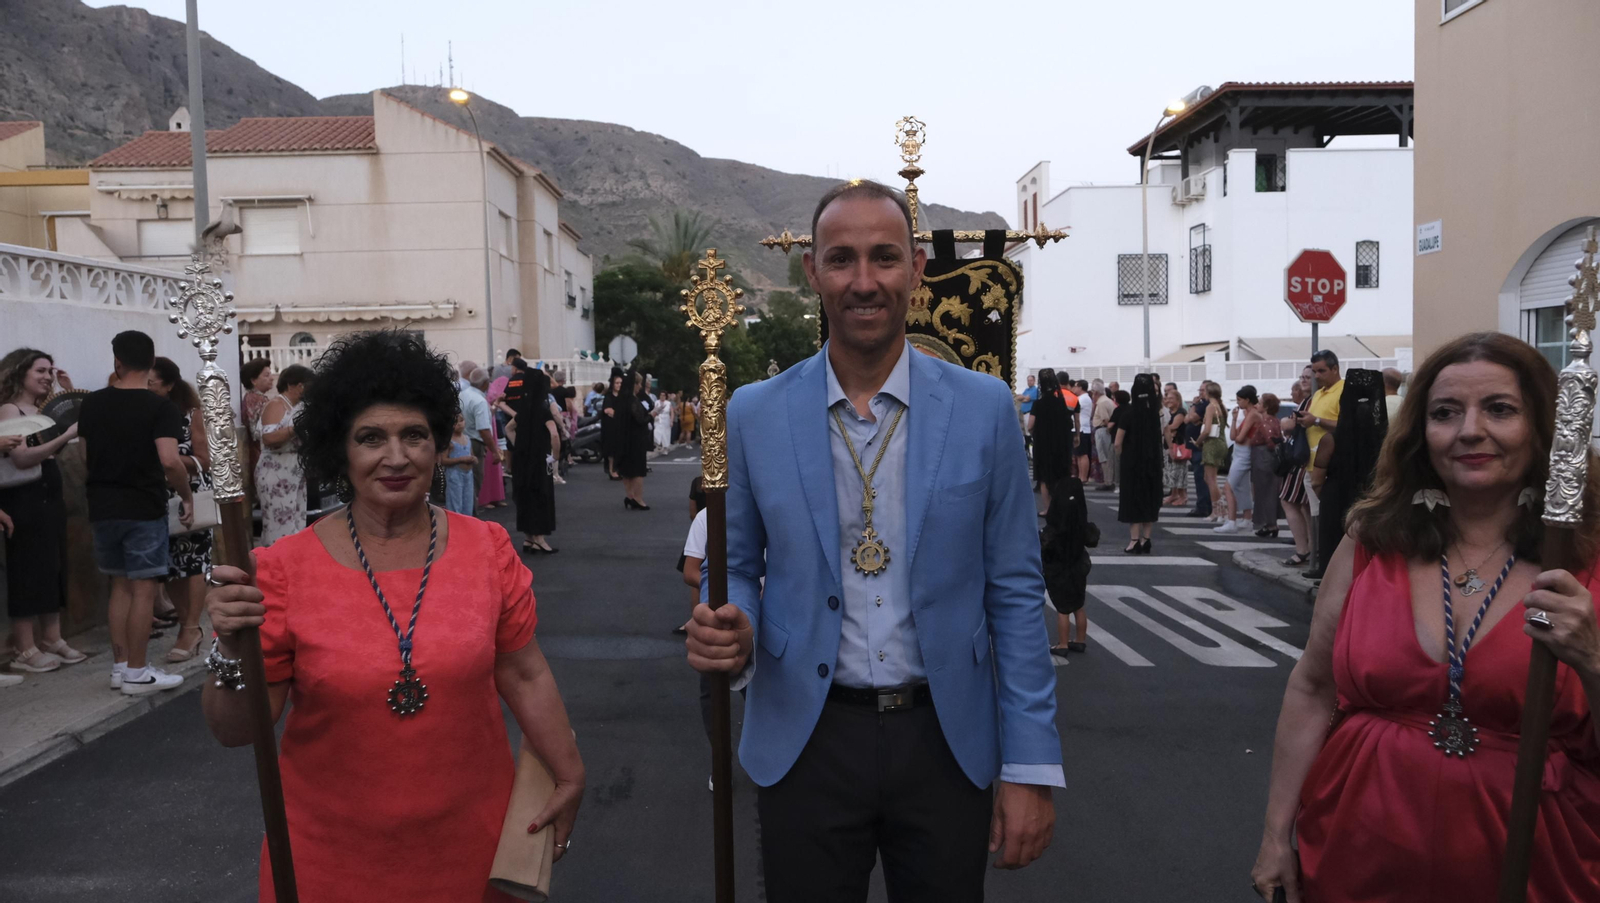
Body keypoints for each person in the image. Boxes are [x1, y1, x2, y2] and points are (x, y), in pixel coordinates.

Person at [686, 180, 1061, 900]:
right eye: (842, 259)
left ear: (916, 269)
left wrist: (1031, 765)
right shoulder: (753, 413)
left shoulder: (984, 410)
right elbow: (731, 565)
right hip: (808, 738)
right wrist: (731, 621)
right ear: (812, 272)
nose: (864, 281)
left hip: (945, 740)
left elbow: (1013, 592)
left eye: (885, 258)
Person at [201, 330, 585, 902]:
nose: (397, 457)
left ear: (438, 441)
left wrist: (570, 771)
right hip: (330, 861)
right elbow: (237, 731)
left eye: (414, 435)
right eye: (371, 438)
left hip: (473, 849)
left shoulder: (488, 550)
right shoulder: (281, 569)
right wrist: (231, 648)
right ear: (341, 449)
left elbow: (524, 671)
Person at [1251, 331, 1600, 902]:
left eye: (1500, 409)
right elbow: (1313, 688)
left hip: (1536, 864)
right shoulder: (1371, 541)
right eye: (1445, 412)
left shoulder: (1585, 560)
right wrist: (1273, 835)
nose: (1470, 430)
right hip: (1355, 850)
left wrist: (1593, 660)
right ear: (1420, 432)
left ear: (1542, 428)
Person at [76, 331, 192, 695]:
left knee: (120, 587)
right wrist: (186, 495)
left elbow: (83, 456)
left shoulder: (92, 403)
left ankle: (120, 666)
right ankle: (139, 673)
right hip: (142, 505)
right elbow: (170, 460)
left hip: (102, 504)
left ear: (118, 361)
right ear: (150, 362)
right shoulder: (161, 408)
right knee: (144, 590)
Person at [0, 348, 86, 673]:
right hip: (23, 497)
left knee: (53, 565)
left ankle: (52, 637)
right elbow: (21, 458)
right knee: (27, 569)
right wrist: (65, 434)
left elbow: (71, 417)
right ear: (19, 373)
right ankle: (24, 648)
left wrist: (67, 391)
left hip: (48, 493)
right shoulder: (10, 410)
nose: (47, 376)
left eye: (50, 371)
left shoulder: (39, 410)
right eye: (40, 371)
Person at [148, 356, 212, 663]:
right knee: (170, 567)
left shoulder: (190, 413)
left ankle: (190, 627)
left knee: (195, 563)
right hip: (155, 495)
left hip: (190, 493)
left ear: (169, 384)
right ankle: (189, 628)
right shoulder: (145, 413)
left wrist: (170, 459)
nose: (146, 387)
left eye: (151, 382)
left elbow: (203, 457)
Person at [256, 365, 313, 547]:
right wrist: (297, 427)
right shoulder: (276, 404)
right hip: (276, 470)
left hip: (295, 469)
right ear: (292, 385)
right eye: (304, 385)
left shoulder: (301, 407)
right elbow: (269, 437)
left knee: (297, 522)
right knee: (279, 525)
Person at [1041, 469, 1092, 657]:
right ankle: (1080, 640)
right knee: (1078, 605)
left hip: (1059, 569)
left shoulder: (1054, 528)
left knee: (1063, 608)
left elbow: (1045, 546)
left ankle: (1062, 643)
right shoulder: (1081, 523)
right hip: (1078, 566)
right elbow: (1092, 538)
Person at [510, 367, 559, 554]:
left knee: (525, 495)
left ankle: (528, 537)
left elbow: (509, 428)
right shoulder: (543, 411)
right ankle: (540, 539)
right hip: (540, 461)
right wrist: (555, 456)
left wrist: (520, 446)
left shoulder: (523, 410)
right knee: (541, 495)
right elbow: (554, 434)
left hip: (522, 460)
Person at [1116, 375, 1163, 555]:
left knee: (1132, 499)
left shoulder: (1128, 413)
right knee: (1148, 499)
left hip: (1132, 464)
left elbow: (1118, 442)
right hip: (1151, 464)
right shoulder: (1154, 414)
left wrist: (1123, 456)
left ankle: (1134, 540)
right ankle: (1147, 539)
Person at [1027, 368, 1074, 517]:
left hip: (1043, 444)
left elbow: (1030, 425)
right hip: (1060, 444)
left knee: (1044, 477)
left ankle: (1048, 509)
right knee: (1059, 475)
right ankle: (1062, 507)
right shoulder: (1061, 403)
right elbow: (1069, 423)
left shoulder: (1038, 404)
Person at [1279, 381, 1314, 566]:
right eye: (1305, 376)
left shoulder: (1311, 401)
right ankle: (1310, 547)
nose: (1306, 380)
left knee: (1289, 500)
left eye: (1311, 375)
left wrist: (1287, 423)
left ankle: (1303, 549)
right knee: (1306, 506)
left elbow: (1294, 425)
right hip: (1307, 457)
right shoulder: (1313, 399)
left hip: (1302, 458)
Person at [1217, 386, 1261, 534]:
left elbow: (1240, 437)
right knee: (1242, 487)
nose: (1238, 403)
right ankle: (1247, 519)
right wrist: (1235, 419)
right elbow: (1233, 436)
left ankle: (1231, 521)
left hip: (1244, 453)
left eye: (1240, 400)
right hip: (1240, 451)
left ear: (1247, 400)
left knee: (1228, 486)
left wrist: (1237, 432)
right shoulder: (1247, 413)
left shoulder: (1253, 414)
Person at [240, 357, 275, 511]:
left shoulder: (256, 398)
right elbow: (257, 433)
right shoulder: (256, 399)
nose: (271, 378)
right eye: (266, 375)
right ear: (253, 380)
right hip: (261, 455)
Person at [459, 367, 495, 511]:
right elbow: (484, 430)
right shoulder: (480, 401)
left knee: (463, 482)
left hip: (459, 440)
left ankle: (464, 513)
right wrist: (495, 450)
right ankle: (471, 515)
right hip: (475, 443)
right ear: (486, 383)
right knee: (475, 481)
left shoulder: (462, 395)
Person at [617, 370, 652, 510]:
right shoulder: (633, 400)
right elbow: (640, 419)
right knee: (638, 470)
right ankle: (638, 499)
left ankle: (630, 496)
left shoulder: (621, 399)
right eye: (638, 384)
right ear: (634, 384)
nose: (640, 387)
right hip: (636, 439)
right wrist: (652, 415)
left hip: (623, 438)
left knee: (627, 469)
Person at [1252, 394, 1286, 538]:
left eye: (1259, 403)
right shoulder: (1276, 421)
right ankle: (1271, 522)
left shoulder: (1265, 422)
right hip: (1267, 458)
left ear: (1265, 407)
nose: (1257, 406)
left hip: (1263, 458)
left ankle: (1269, 524)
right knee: (1270, 491)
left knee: (1264, 491)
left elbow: (1271, 441)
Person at [474, 369, 508, 510]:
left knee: (496, 467)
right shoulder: (479, 397)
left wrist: (497, 402)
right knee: (486, 467)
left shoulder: (484, 396)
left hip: (492, 429)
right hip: (486, 433)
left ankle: (496, 497)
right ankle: (485, 499)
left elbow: (491, 412)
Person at [1197, 382, 1228, 524]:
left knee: (1211, 480)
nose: (1202, 393)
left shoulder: (1210, 407)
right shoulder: (1221, 407)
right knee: (1208, 478)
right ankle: (1221, 510)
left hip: (1212, 444)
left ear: (1209, 393)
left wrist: (1198, 441)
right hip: (1220, 442)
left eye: (1204, 391)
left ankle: (1218, 511)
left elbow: (1207, 429)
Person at [1160, 384, 1189, 509]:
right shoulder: (1168, 412)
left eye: (1172, 398)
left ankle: (1183, 496)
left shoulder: (1180, 412)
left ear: (1178, 400)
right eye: (1167, 398)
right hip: (1169, 444)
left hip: (1178, 445)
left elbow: (1173, 426)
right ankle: (1174, 494)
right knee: (1170, 471)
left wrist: (1166, 429)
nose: (1168, 401)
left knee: (1179, 471)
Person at [443, 412, 476, 516]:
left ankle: (467, 525)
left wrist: (473, 459)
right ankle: (456, 526)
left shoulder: (467, 439)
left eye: (461, 421)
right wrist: (461, 459)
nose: (459, 424)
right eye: (455, 423)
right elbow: (443, 460)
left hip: (468, 474)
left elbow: (472, 454)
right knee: (455, 503)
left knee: (468, 503)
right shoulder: (449, 441)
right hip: (455, 474)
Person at [600, 370, 625, 480]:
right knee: (611, 450)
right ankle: (612, 470)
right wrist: (620, 415)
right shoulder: (609, 396)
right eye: (617, 383)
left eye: (620, 383)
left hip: (620, 426)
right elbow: (608, 410)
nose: (619, 385)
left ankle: (619, 469)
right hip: (610, 427)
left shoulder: (623, 396)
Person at [1091, 378, 1116, 490]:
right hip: (1105, 430)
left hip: (1102, 430)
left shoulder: (1101, 403)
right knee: (1107, 457)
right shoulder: (1108, 400)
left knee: (1104, 457)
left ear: (1095, 392)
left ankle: (1108, 481)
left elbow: (1106, 419)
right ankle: (1108, 480)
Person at [1074, 379, 1094, 483]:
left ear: (1081, 387)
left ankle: (1083, 477)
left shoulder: (1084, 398)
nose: (1074, 388)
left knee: (1083, 454)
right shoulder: (1080, 398)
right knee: (1078, 454)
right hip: (1079, 428)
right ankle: (1080, 475)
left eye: (1076, 386)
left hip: (1083, 428)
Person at [1015, 372, 1038, 439]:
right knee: (1025, 431)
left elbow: (1027, 399)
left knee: (1029, 430)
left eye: (1031, 380)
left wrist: (1023, 398)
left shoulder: (1035, 390)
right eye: (1028, 380)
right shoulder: (1026, 390)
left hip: (1030, 413)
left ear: (1034, 381)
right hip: (1023, 413)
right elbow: (1018, 398)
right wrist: (1023, 398)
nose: (1029, 382)